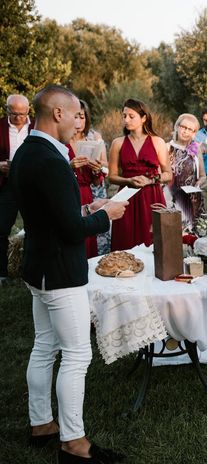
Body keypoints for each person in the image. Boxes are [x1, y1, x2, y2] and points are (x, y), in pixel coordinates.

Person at [9, 85, 128, 463]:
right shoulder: (50, 158)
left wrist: (85, 204)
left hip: (38, 267)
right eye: (74, 114)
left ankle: (41, 423)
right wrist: (104, 215)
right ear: (57, 113)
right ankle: (74, 443)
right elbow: (72, 231)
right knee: (77, 354)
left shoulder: (28, 150)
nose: (79, 123)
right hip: (60, 271)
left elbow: (51, 212)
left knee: (44, 346)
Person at [108, 98, 171, 250]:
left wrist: (150, 180)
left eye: (131, 116)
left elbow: (168, 174)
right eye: (124, 116)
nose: (126, 120)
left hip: (152, 196)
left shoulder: (157, 142)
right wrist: (129, 180)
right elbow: (111, 177)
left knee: (153, 241)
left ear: (143, 118)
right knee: (125, 241)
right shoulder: (118, 143)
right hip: (126, 197)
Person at [70, 100, 110, 255]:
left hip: (90, 191)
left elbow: (105, 166)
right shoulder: (62, 138)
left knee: (91, 233)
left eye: (82, 116)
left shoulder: (93, 137)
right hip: (70, 191)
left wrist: (98, 168)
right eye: (75, 117)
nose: (78, 121)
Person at [0, 94, 32, 283]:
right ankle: (2, 272)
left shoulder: (36, 126)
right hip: (7, 183)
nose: (19, 117)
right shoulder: (1, 126)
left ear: (28, 110)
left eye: (22, 113)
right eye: (14, 113)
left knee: (35, 226)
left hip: (32, 183)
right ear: (7, 110)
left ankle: (29, 269)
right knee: (2, 227)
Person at [166, 113, 205, 228]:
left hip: (192, 199)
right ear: (177, 127)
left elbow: (203, 176)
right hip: (171, 197)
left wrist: (198, 184)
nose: (186, 131)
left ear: (194, 133)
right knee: (172, 231)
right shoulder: (166, 147)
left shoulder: (196, 149)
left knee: (191, 234)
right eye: (183, 127)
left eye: (190, 129)